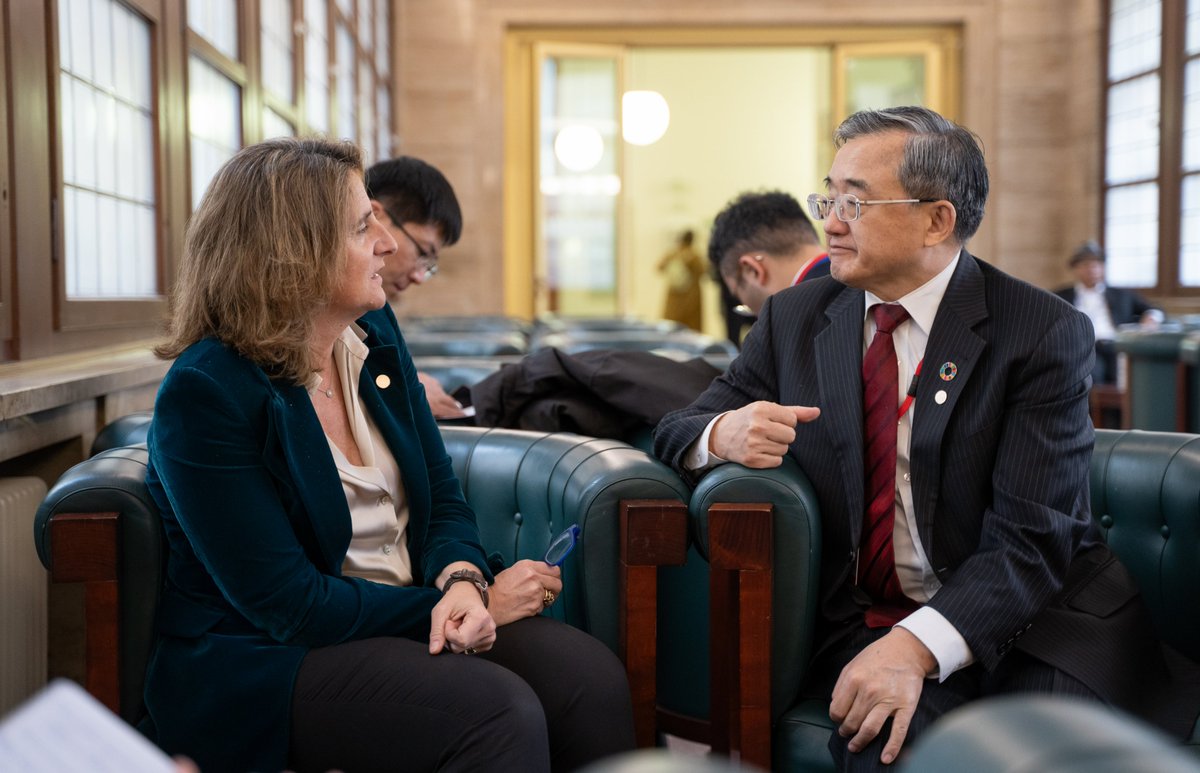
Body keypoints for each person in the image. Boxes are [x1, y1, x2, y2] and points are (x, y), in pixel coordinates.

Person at [654, 106, 1196, 771]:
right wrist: (722, 431)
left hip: (1038, 619)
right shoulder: (796, 317)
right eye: (828, 195)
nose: (830, 221)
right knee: (879, 743)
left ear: (937, 219)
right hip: (871, 615)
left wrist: (915, 647)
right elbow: (676, 429)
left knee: (1037, 754)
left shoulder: (1039, 332)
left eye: (855, 200)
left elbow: (1032, 542)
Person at [145, 138, 635, 773]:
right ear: (293, 252)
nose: (385, 242)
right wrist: (472, 605)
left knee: (586, 678)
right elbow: (288, 605)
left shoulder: (373, 336)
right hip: (270, 659)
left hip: (405, 612)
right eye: (361, 225)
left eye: (378, 217)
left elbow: (441, 496)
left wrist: (461, 579)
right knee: (495, 709)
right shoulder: (206, 389)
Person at [364, 155, 469, 419]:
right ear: (376, 218)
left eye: (429, 263)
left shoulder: (378, 315)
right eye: (423, 252)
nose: (419, 277)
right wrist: (404, 391)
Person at [1053, 240, 1162, 384]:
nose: (1092, 269)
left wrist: (1151, 318)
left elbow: (1154, 309)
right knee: (1091, 374)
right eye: (1085, 265)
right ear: (1075, 268)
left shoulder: (1121, 294)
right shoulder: (1060, 296)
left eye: (1096, 264)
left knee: (1127, 376)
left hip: (1117, 346)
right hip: (1083, 348)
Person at [708, 190, 829, 318]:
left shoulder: (799, 324)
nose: (746, 307)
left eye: (738, 294)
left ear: (752, 270)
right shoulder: (848, 289)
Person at [656, 229, 706, 329]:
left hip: (675, 297)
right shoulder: (694, 256)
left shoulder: (673, 254)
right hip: (691, 297)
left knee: (672, 326)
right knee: (691, 327)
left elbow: (660, 267)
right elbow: (703, 272)